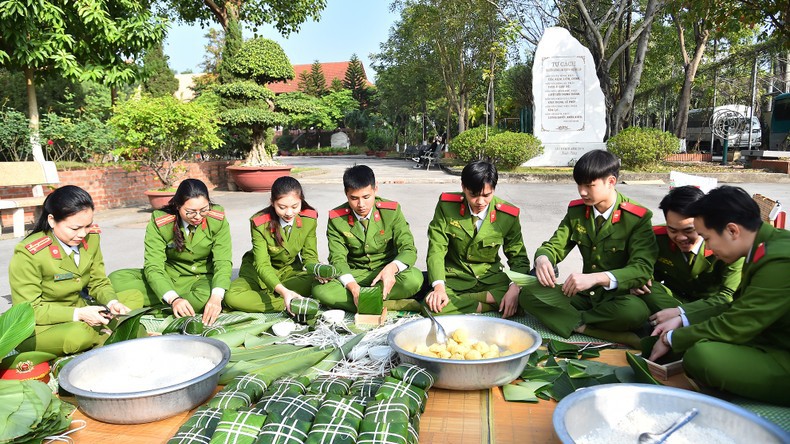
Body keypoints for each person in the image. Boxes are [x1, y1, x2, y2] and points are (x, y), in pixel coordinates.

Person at [649, 186, 790, 406]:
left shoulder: (779, 260)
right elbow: (740, 307)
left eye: (707, 238)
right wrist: (683, 319)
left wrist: (673, 338)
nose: (708, 247)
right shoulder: (767, 245)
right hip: (772, 338)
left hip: (781, 352)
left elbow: (736, 324)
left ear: (733, 230)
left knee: (701, 357)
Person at [520, 149, 657, 343]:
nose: (582, 192)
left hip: (617, 298)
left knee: (635, 312)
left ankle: (569, 322)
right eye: (579, 185)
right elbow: (555, 244)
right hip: (584, 296)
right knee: (528, 295)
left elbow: (642, 268)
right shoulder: (577, 211)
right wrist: (543, 258)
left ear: (611, 182)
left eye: (589, 185)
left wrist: (595, 278)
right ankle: (590, 329)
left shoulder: (637, 218)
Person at [9, 186, 142, 355]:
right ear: (51, 220)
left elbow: (98, 281)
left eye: (88, 226)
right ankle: (105, 334)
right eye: (74, 228)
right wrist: (79, 314)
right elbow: (29, 310)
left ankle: (104, 329)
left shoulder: (91, 238)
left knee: (132, 298)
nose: (82, 234)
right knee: (77, 336)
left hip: (79, 306)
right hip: (41, 325)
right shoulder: (29, 253)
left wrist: (111, 303)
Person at [109, 179, 231, 326]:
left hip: (202, 279)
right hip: (169, 278)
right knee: (115, 280)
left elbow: (223, 262)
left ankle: (159, 304)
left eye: (204, 209)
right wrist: (173, 298)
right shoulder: (161, 222)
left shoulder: (216, 219)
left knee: (207, 297)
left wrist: (216, 298)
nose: (198, 216)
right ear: (178, 206)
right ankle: (173, 304)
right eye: (191, 212)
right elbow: (153, 266)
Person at [312, 165, 424, 312]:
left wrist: (392, 268)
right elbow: (337, 258)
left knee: (415, 279)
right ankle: (389, 304)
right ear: (346, 194)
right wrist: (353, 287)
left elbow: (408, 249)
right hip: (355, 274)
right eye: (354, 198)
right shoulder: (337, 218)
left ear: (375, 189)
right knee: (321, 291)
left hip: (385, 272)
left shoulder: (391, 211)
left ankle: (361, 303)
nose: (361, 205)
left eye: (366, 197)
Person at [424, 160, 529, 316]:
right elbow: (436, 249)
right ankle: (489, 305)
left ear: (494, 189)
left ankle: (466, 301)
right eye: (473, 195)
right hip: (456, 278)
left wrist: (514, 288)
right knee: (432, 307)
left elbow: (519, 258)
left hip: (491, 279)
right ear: (463, 187)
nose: (480, 202)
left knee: (525, 298)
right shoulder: (447, 206)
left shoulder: (508, 215)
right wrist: (439, 288)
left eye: (487, 195)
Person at [632, 186, 743, 325]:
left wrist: (681, 312)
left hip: (710, 305)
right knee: (646, 289)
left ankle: (679, 325)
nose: (680, 237)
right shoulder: (656, 238)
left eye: (689, 230)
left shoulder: (728, 245)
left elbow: (727, 296)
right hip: (672, 298)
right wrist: (639, 279)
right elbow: (643, 268)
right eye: (672, 230)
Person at [224, 177, 320, 314]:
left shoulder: (309, 219)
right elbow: (262, 264)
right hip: (256, 273)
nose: (289, 213)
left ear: (301, 201)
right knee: (231, 296)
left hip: (289, 271)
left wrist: (317, 269)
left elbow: (310, 256)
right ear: (272, 203)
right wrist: (283, 291)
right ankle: (289, 301)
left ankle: (271, 298)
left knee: (314, 281)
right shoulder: (260, 223)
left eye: (295, 206)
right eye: (282, 207)